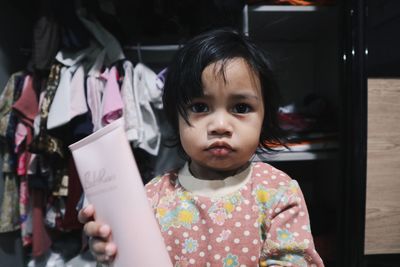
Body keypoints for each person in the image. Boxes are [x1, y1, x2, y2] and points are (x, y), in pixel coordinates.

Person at [78, 28, 324, 267]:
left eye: (240, 108)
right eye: (199, 107)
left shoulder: (278, 193)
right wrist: (112, 251)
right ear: (175, 117)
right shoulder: (152, 198)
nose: (219, 126)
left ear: (264, 117)